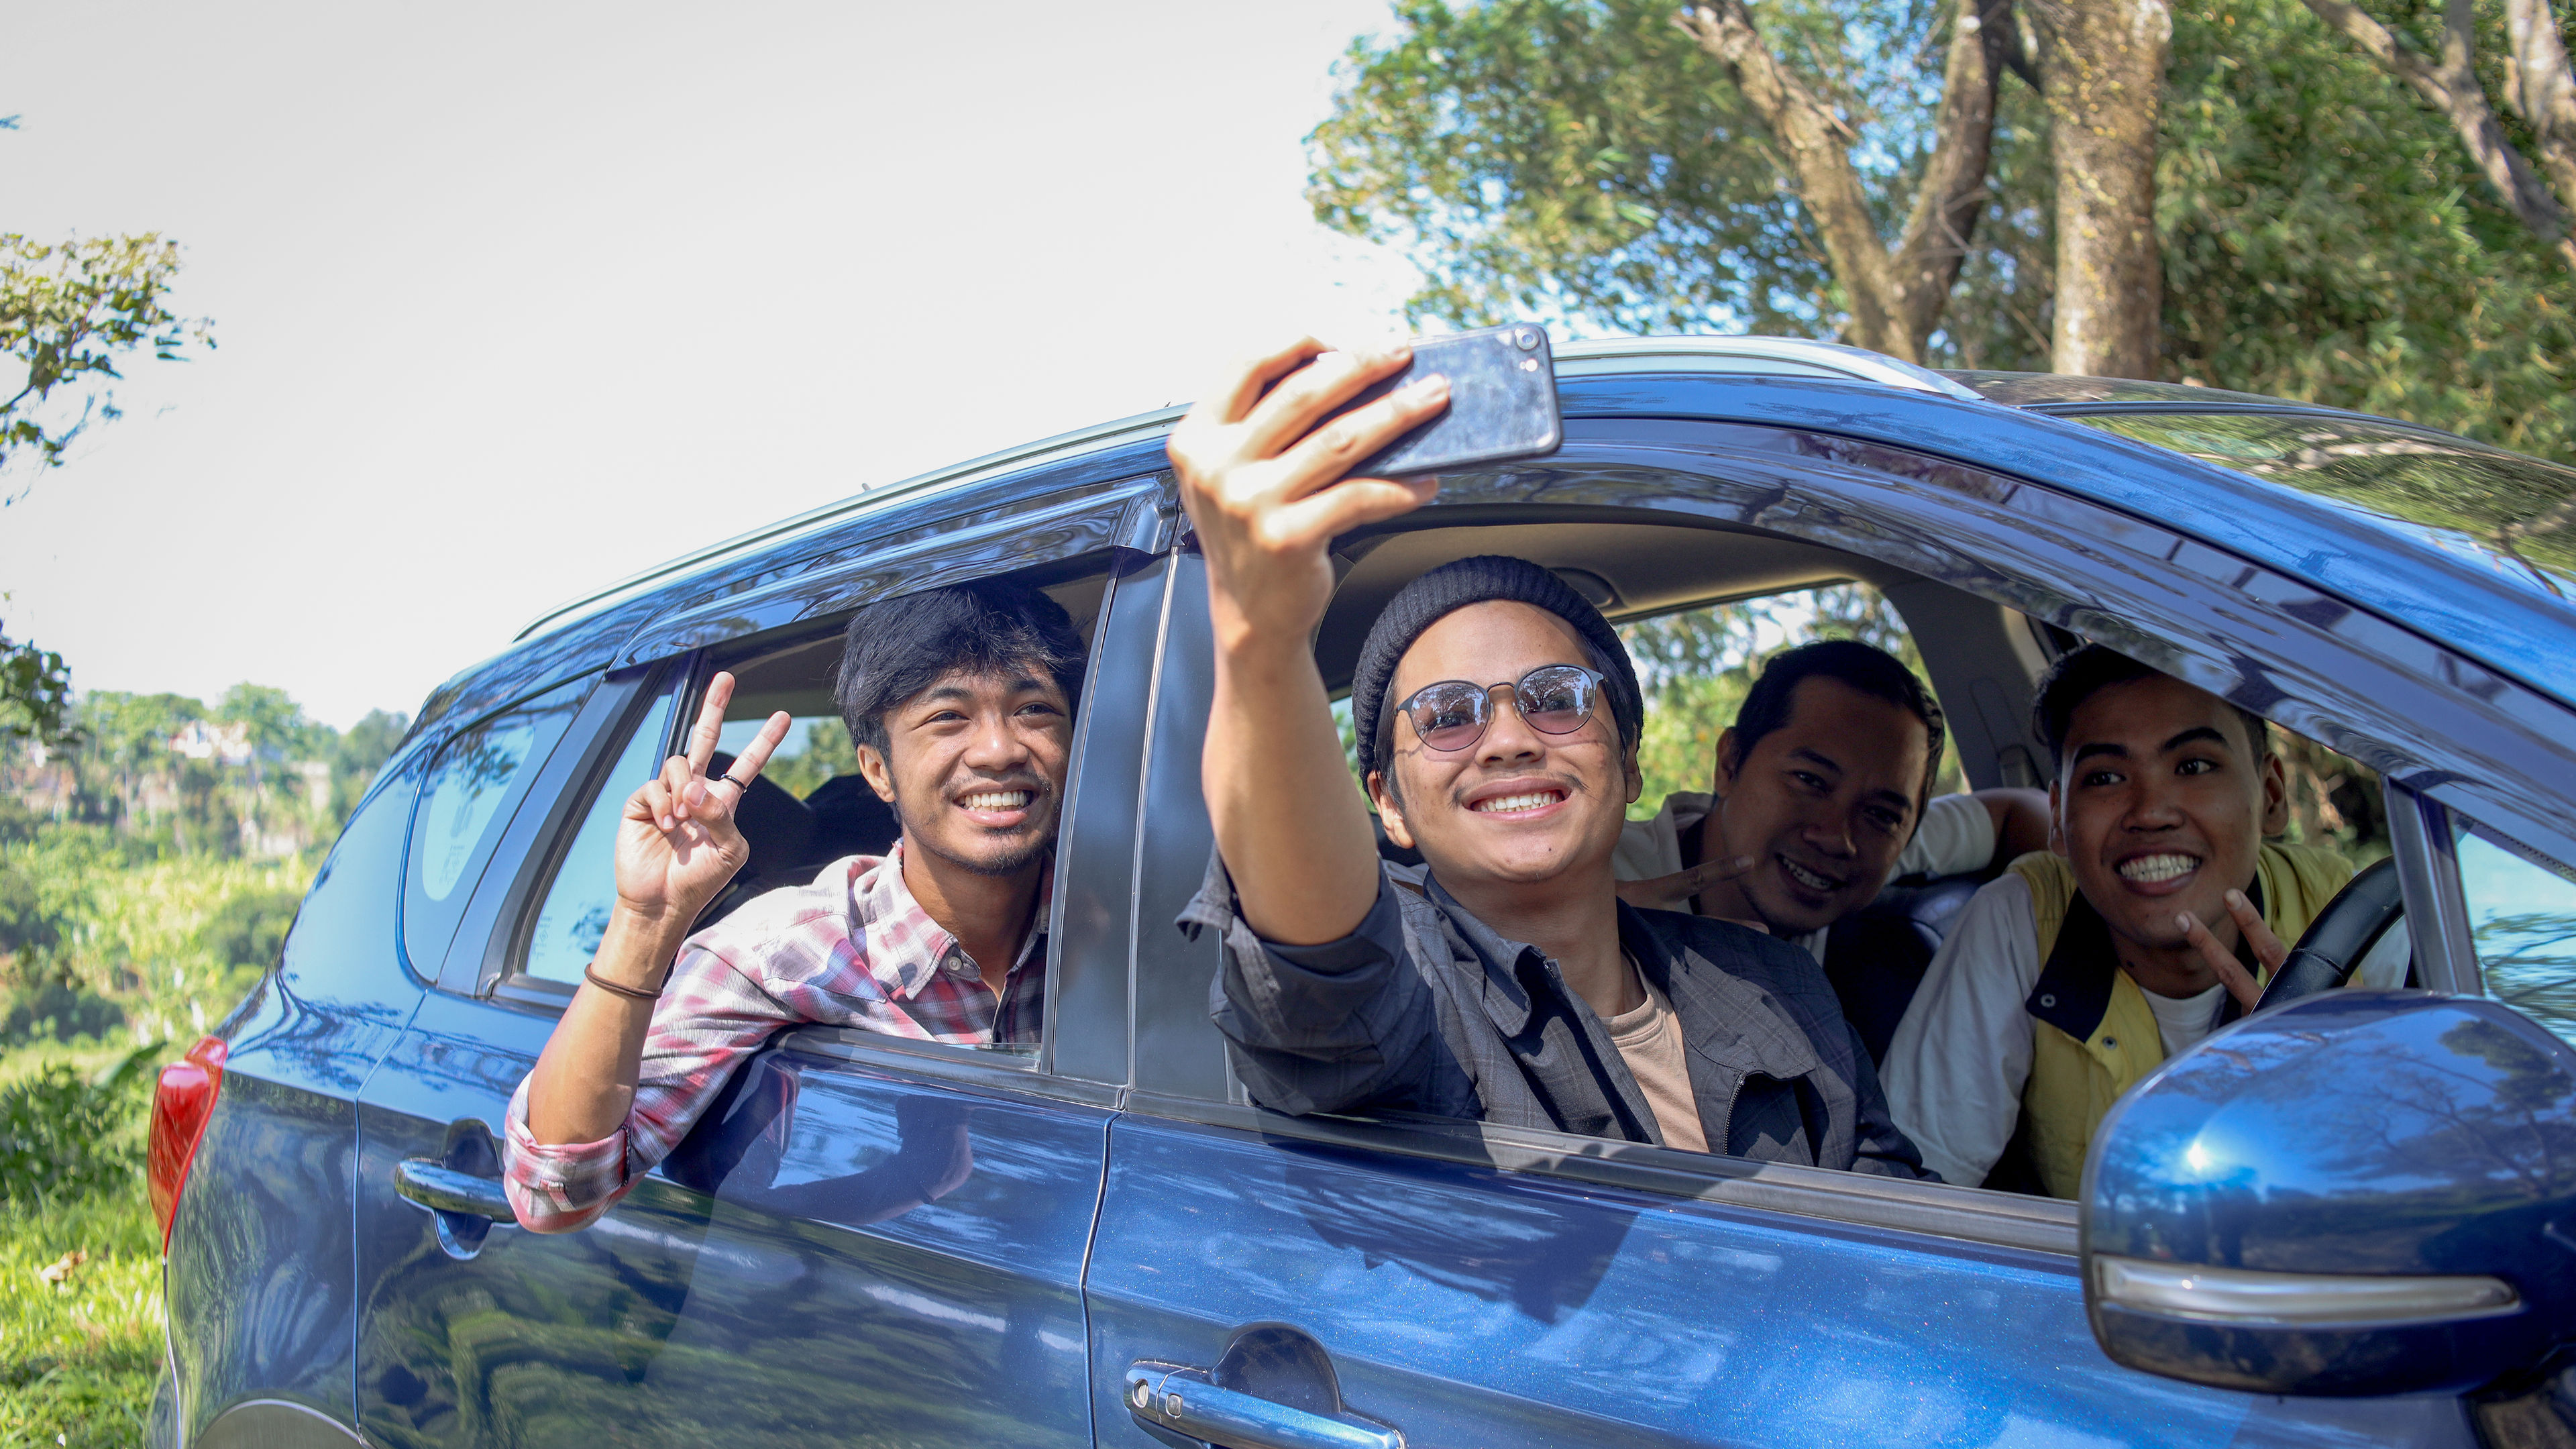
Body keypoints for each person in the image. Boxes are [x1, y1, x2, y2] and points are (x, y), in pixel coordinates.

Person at [1172, 336, 1926, 1175]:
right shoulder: (1412, 996)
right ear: (1387, 803)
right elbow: (1320, 967)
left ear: (1631, 766)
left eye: (1557, 698)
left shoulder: (1779, 985)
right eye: (1448, 715)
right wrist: (1261, 634)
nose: (1511, 739)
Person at [501, 579, 1084, 1232]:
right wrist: (646, 921)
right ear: (877, 770)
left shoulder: (1133, 924)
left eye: (1033, 710)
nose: (1000, 750)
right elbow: (555, 1194)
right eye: (949, 717)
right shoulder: (788, 952)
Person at [1881, 643, 2354, 1197]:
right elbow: (1914, 1196)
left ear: (2271, 795)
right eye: (2106, 778)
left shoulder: (2348, 924)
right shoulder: (2024, 922)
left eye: (2194, 766)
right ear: (2058, 819)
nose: (2151, 812)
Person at [1611, 639, 2051, 962]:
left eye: (1881, 813)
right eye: (1809, 780)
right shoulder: (1597, 877)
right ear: (1730, 764)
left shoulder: (1874, 844)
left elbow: (2021, 812)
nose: (1835, 837)